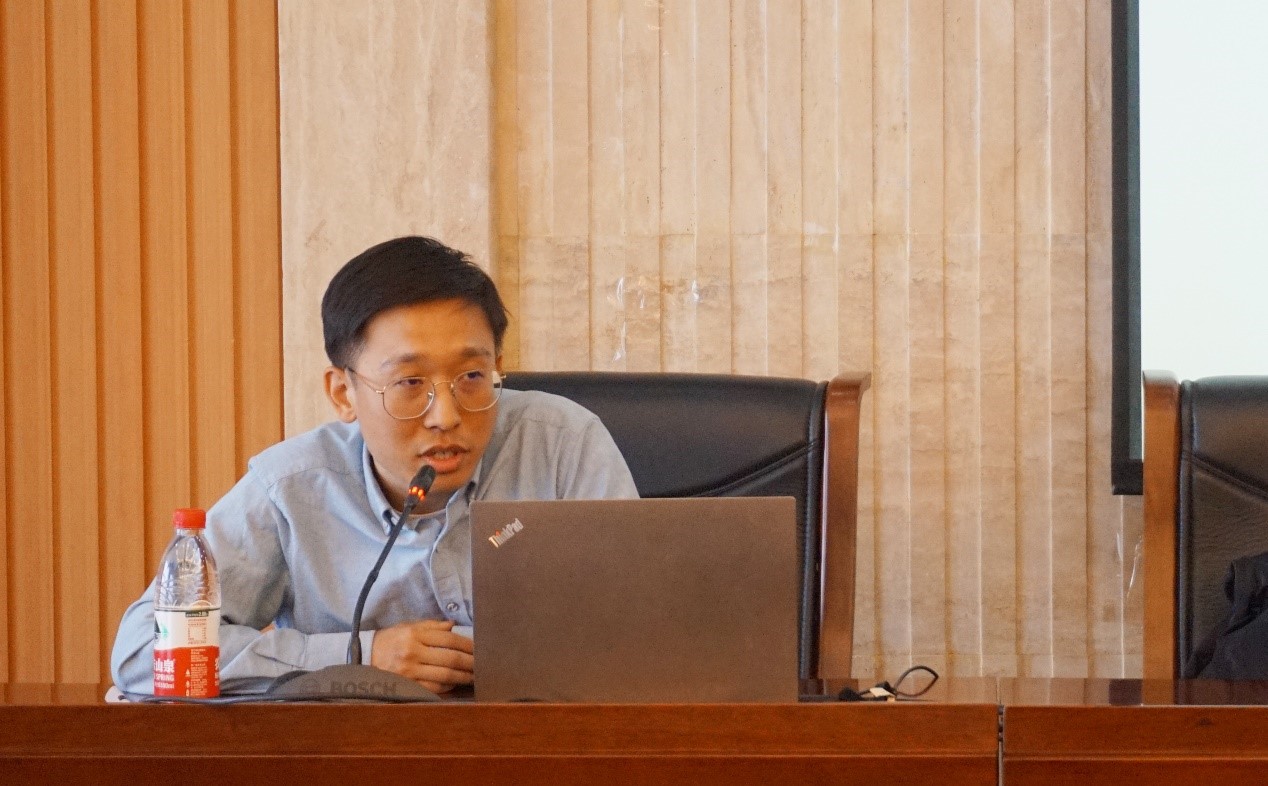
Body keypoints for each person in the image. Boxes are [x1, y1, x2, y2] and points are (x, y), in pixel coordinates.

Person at [111, 236, 638, 694]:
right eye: (409, 383)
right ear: (343, 393)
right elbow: (142, 652)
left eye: (472, 378)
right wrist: (358, 657)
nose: (446, 415)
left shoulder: (562, 444)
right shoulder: (292, 488)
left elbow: (645, 626)